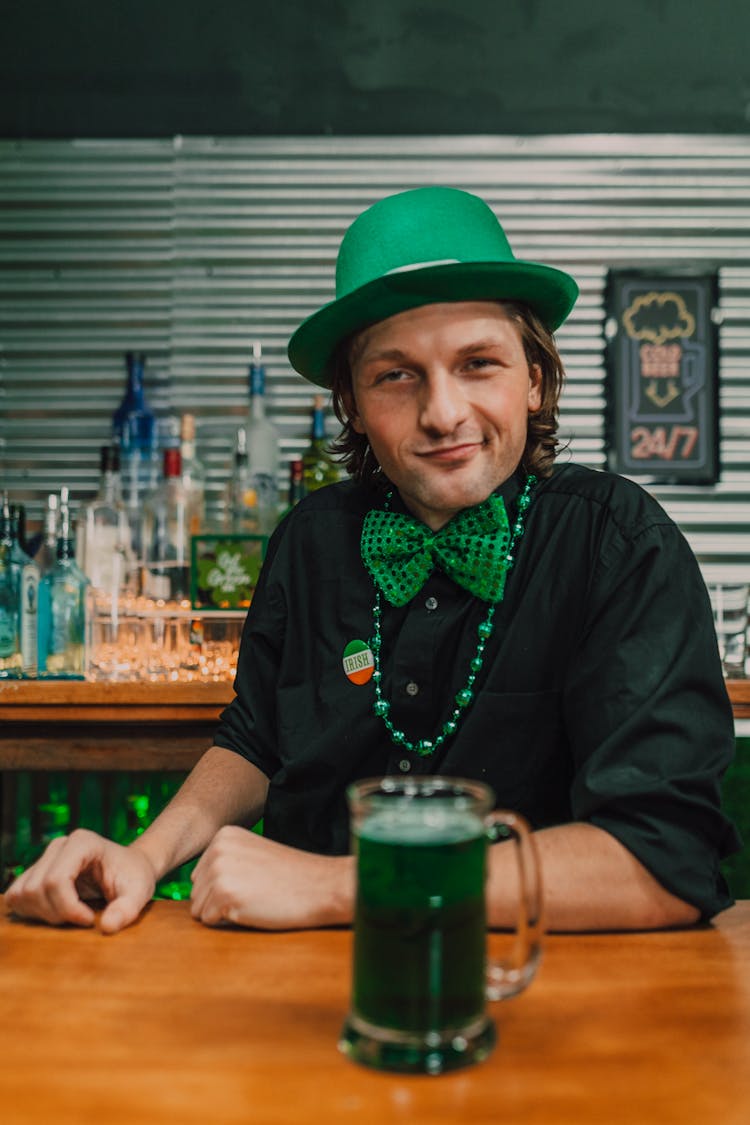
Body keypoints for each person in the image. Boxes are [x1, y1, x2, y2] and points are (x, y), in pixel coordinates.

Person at [6, 187, 739, 935]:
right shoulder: (309, 539)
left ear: (536, 378)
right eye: (396, 375)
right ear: (351, 404)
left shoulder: (619, 543)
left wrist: (347, 885)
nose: (444, 412)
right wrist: (146, 854)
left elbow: (661, 860)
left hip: (535, 987)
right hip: (291, 986)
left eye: (478, 362)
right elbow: (256, 740)